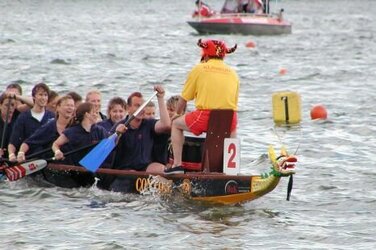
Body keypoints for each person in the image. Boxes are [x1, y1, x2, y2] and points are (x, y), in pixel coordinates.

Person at [166, 39, 239, 174]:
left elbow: (184, 98)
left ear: (205, 54)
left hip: (205, 117)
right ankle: (231, 170)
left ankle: (176, 165)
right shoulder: (233, 73)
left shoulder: (199, 68)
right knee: (233, 129)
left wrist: (177, 113)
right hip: (230, 118)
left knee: (176, 124)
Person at [110, 86, 170, 186]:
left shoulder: (149, 124)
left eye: (143, 106)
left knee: (162, 169)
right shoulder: (119, 126)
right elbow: (111, 146)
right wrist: (118, 134)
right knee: (134, 175)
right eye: (137, 106)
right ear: (128, 108)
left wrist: (160, 98)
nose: (142, 109)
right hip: (125, 170)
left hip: (145, 167)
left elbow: (166, 125)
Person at [16, 95, 76, 162]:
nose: (70, 108)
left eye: (72, 106)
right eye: (67, 105)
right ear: (58, 107)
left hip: (74, 164)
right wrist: (21, 153)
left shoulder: (76, 126)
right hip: (53, 164)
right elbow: (28, 142)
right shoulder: (50, 126)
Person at [7, 83, 55, 161]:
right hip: (28, 158)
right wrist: (11, 155)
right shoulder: (23, 117)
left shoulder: (52, 117)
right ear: (33, 97)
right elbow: (13, 141)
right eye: (40, 95)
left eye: (45, 95)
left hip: (48, 158)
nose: (43, 98)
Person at [0, 94, 18, 158]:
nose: (10, 108)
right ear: (0, 106)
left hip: (14, 157)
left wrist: (17, 96)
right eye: (6, 105)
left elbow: (33, 104)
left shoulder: (18, 117)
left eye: (12, 105)